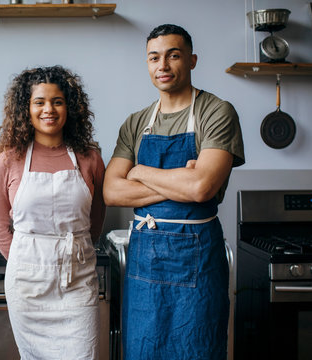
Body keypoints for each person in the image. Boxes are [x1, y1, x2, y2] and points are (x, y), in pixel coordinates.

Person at [103, 24, 245, 359]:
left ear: (192, 60)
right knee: (142, 350)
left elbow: (201, 187)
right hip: (144, 267)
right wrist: (178, 180)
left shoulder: (216, 112)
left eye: (173, 55)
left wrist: (139, 173)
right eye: (154, 57)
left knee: (197, 347)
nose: (163, 65)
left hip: (198, 266)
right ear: (148, 64)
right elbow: (111, 191)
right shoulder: (136, 123)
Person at [0, 65, 106, 359]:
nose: (48, 109)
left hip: (78, 278)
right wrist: (28, 261)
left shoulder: (90, 158)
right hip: (27, 286)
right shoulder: (8, 160)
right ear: (25, 109)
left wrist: (72, 249)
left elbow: (96, 219)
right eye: (39, 102)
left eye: (57, 101)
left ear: (70, 107)